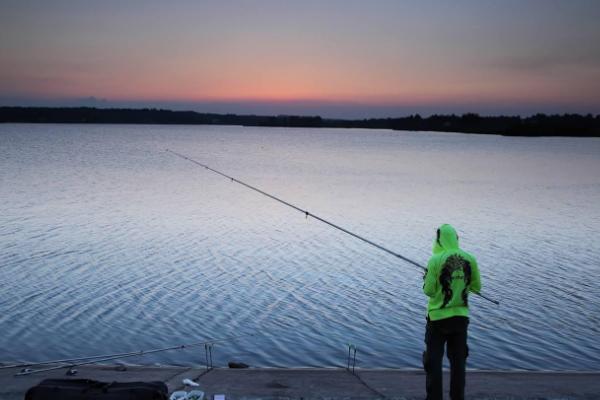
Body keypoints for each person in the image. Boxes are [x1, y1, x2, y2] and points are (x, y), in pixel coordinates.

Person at [422, 224, 481, 400]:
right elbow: (476, 288)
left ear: (439, 239)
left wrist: (426, 278)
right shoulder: (470, 258)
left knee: (434, 363)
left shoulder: (435, 260)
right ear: (456, 238)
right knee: (458, 365)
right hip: (460, 319)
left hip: (437, 320)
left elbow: (429, 291)